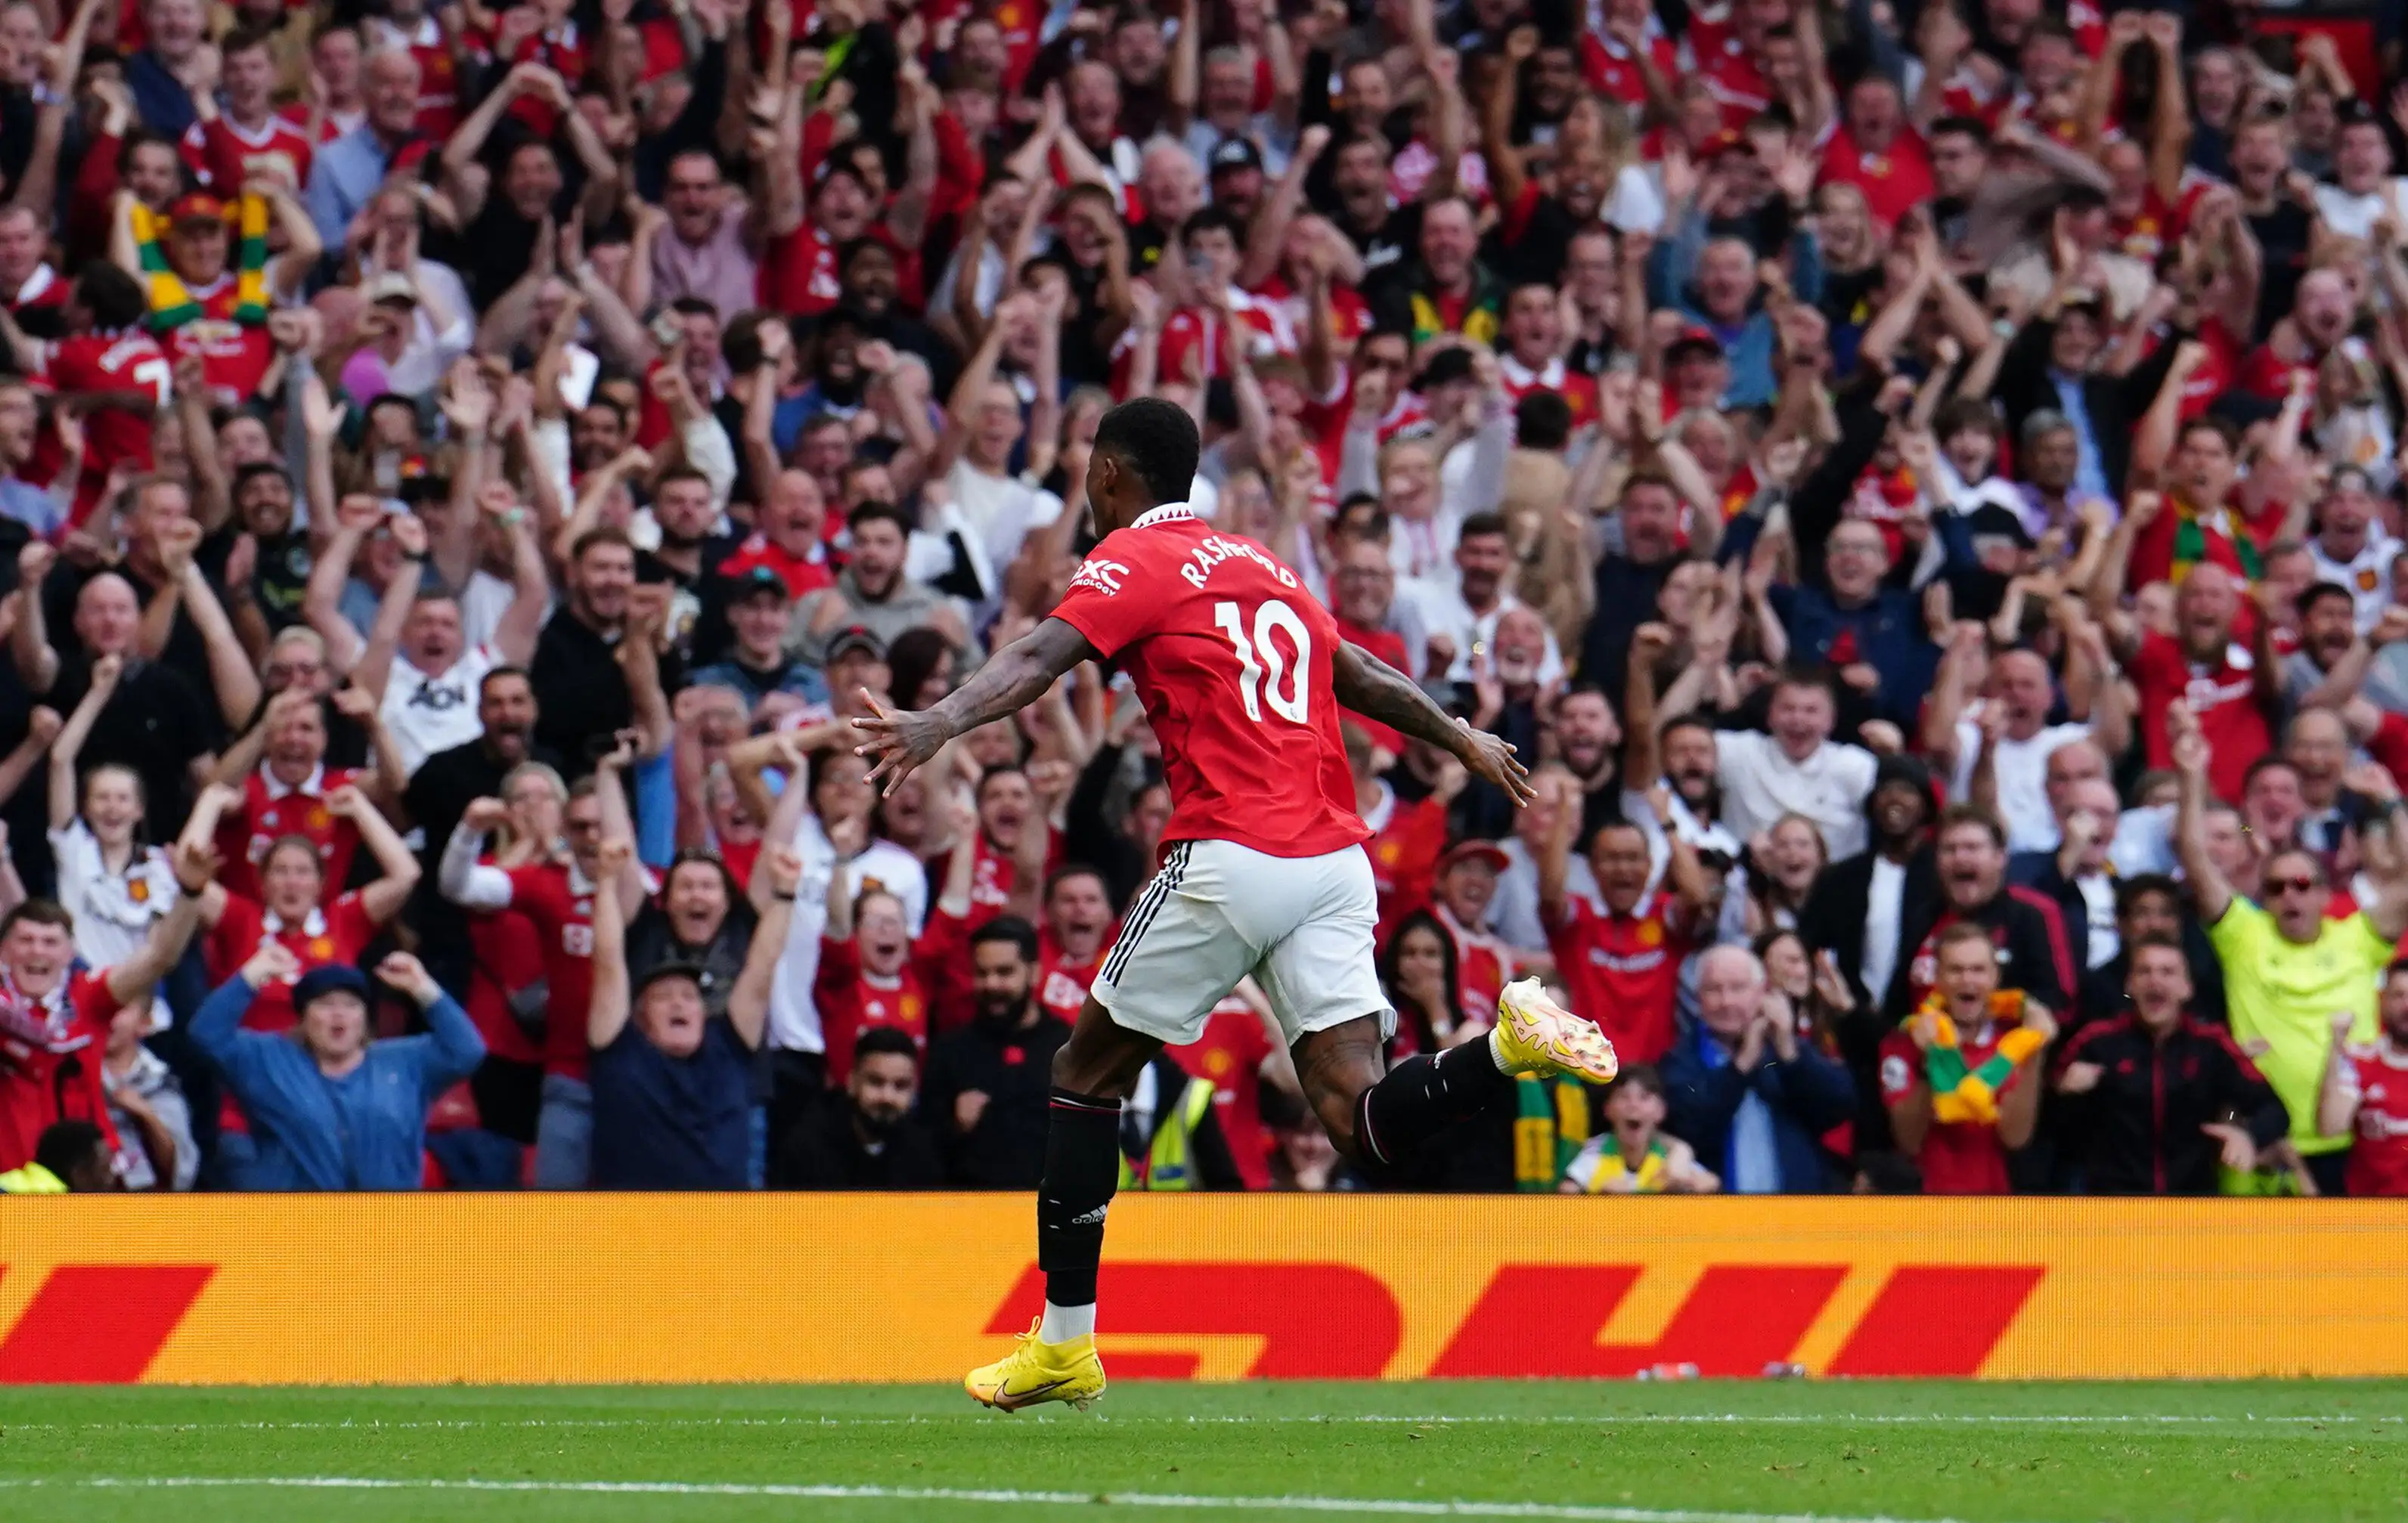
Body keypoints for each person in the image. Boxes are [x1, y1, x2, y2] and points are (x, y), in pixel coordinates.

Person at [853, 398, 1613, 1413]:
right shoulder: (1262, 564)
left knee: (1083, 1072)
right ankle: (1506, 1046)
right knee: (1361, 1119)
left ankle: (1066, 1342)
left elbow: (1041, 655)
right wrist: (1460, 734)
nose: (1088, 487)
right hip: (1335, 861)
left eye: (1090, 469)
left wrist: (939, 719)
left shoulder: (1131, 558)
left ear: (1112, 473)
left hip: (1231, 852)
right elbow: (1363, 672)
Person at [2174, 699, 2408, 1193]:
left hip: (2349, 1139)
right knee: (2255, 1270)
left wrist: (2389, 804)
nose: (2290, 895)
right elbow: (2195, 854)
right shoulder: (2243, 932)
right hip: (2261, 1135)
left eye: (2302, 884)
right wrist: (2191, 776)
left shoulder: (2358, 937)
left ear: (2325, 894)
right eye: (2277, 886)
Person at [187, 946, 482, 1190]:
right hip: (300, 1235)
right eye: (326, 1004)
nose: (339, 1014)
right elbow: (206, 1034)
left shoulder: (404, 1061)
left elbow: (467, 1050)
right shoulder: (270, 1060)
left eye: (352, 1005)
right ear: (304, 1018)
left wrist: (423, 988)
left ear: (365, 1019)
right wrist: (251, 975)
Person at [582, 838, 769, 1190]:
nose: (679, 1004)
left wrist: (786, 895)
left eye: (689, 996)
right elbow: (607, 963)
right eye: (664, 997)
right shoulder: (620, 1054)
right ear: (639, 1015)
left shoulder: (728, 1051)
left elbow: (762, 970)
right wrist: (606, 882)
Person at [2051, 933, 2287, 1195]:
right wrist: (2066, 1093)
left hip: (2192, 1205)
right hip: (2113, 1206)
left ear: (2187, 988)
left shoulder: (2212, 1044)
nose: (2155, 980)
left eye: (2168, 972)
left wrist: (2247, 1134)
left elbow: (2273, 1109)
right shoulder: (2096, 1041)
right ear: (2130, 986)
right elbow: (2052, 1123)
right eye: (2144, 971)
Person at [1661, 945, 1857, 1193]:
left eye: (1738, 988)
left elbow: (1839, 1106)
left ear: (1761, 993)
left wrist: (1789, 1053)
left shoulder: (1789, 1049)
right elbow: (1690, 1125)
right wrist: (1741, 1067)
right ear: (1698, 998)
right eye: (1714, 990)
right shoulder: (1682, 1060)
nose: (1726, 1001)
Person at [1880, 922, 2057, 1195]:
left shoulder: (2012, 1046)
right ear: (1937, 978)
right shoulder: (1903, 1041)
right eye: (1956, 970)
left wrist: (2034, 1051)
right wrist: (1929, 1062)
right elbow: (1909, 1141)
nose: (1968, 980)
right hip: (1922, 1207)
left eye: (1978, 970)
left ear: (1995, 978)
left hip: (1992, 1209)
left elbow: (2016, 1137)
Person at [777, 1027, 945, 1190]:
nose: (887, 1097)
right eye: (876, 1082)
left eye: (900, 1086)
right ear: (852, 1083)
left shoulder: (923, 1155)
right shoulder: (807, 1149)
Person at [2317, 961, 2408, 1197]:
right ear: (2383, 1001)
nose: (2407, 1005)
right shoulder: (2360, 1061)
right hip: (2372, 1215)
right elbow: (2331, 1127)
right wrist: (2336, 1045)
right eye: (2399, 995)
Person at [1560, 1066, 1718, 1193]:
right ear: (1608, 1109)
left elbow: (1710, 1181)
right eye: (1623, 1096)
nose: (1634, 1105)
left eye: (1644, 1097)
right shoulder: (1594, 1152)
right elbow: (1568, 1189)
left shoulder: (1671, 1155)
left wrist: (1702, 1185)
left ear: (1661, 1111)